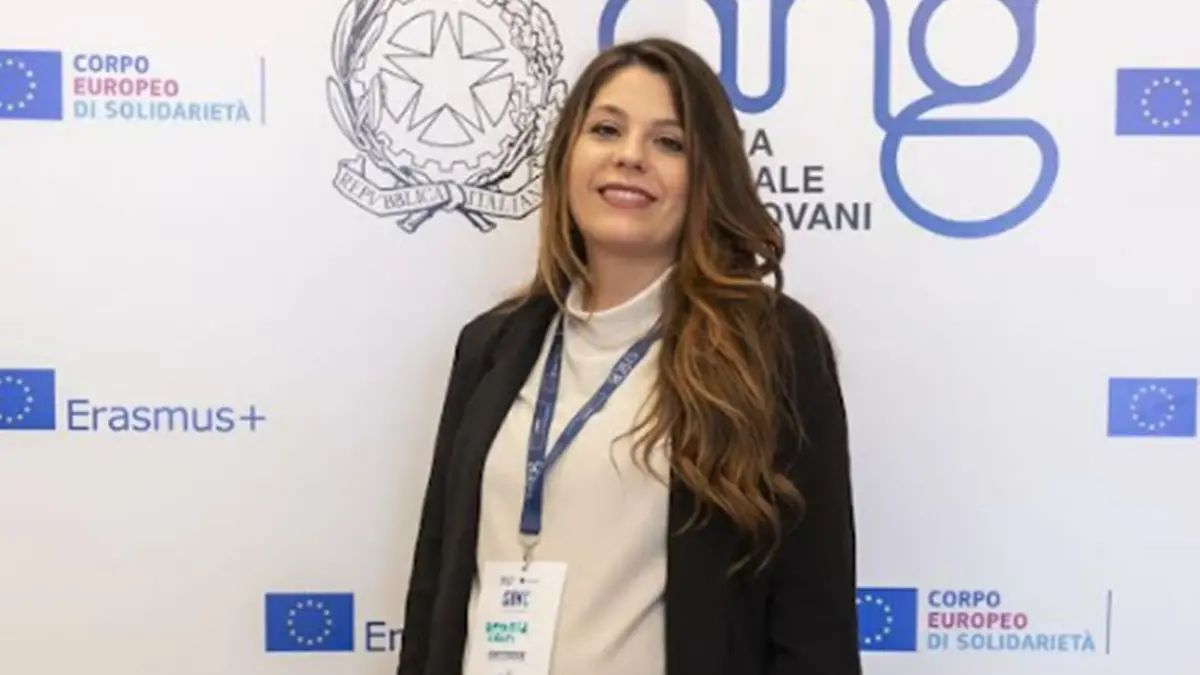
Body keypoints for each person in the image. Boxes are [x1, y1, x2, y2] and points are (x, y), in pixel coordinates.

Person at [396, 37, 861, 675]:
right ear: (567, 157)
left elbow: (815, 621)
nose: (630, 156)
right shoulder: (491, 345)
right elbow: (434, 587)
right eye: (606, 129)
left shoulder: (771, 345)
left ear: (707, 177)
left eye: (669, 142)